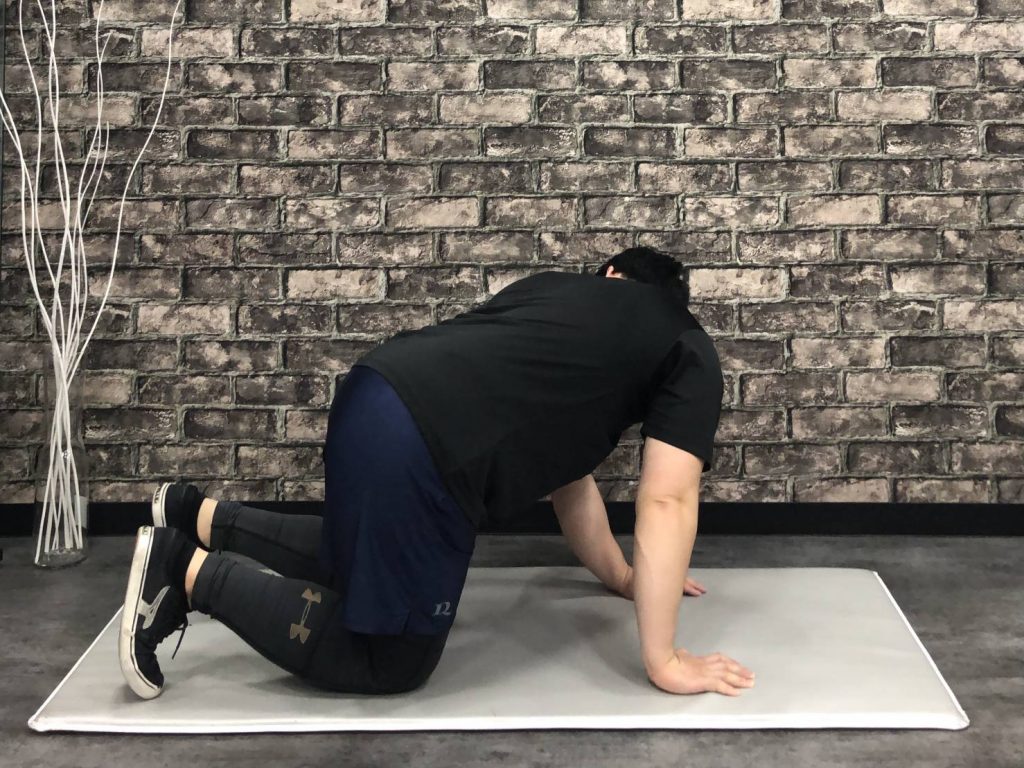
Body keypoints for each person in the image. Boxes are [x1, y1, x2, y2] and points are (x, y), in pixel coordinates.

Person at [118, 246, 756, 700]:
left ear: (610, 275)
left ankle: (196, 515)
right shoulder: (686, 345)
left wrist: (622, 576)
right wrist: (664, 659)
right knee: (389, 661)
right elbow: (668, 500)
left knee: (354, 561)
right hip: (426, 448)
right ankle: (183, 570)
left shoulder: (549, 297)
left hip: (374, 391)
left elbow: (570, 483)